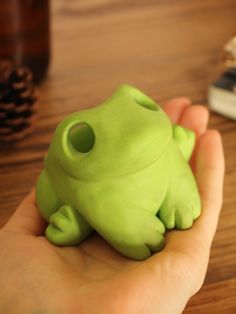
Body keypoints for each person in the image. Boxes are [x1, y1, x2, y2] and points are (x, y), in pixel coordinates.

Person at [0, 97, 224, 314]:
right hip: (77, 179)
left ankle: (82, 221)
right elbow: (121, 222)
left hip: (157, 145)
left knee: (164, 149)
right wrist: (127, 227)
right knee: (49, 200)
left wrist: (179, 194)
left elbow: (174, 169)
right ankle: (81, 219)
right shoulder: (88, 178)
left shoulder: (158, 143)